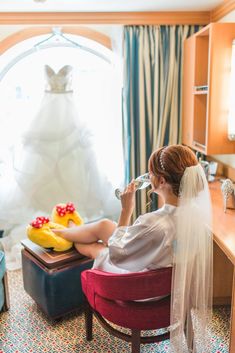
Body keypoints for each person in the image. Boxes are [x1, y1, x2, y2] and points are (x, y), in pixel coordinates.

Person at [54, 144, 213, 353]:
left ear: (162, 181)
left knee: (96, 247)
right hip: (172, 283)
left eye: (152, 173)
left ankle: (62, 235)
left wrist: (126, 210)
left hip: (142, 289)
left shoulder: (154, 224)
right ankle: (68, 233)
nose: (149, 176)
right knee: (104, 227)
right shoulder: (196, 216)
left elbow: (117, 254)